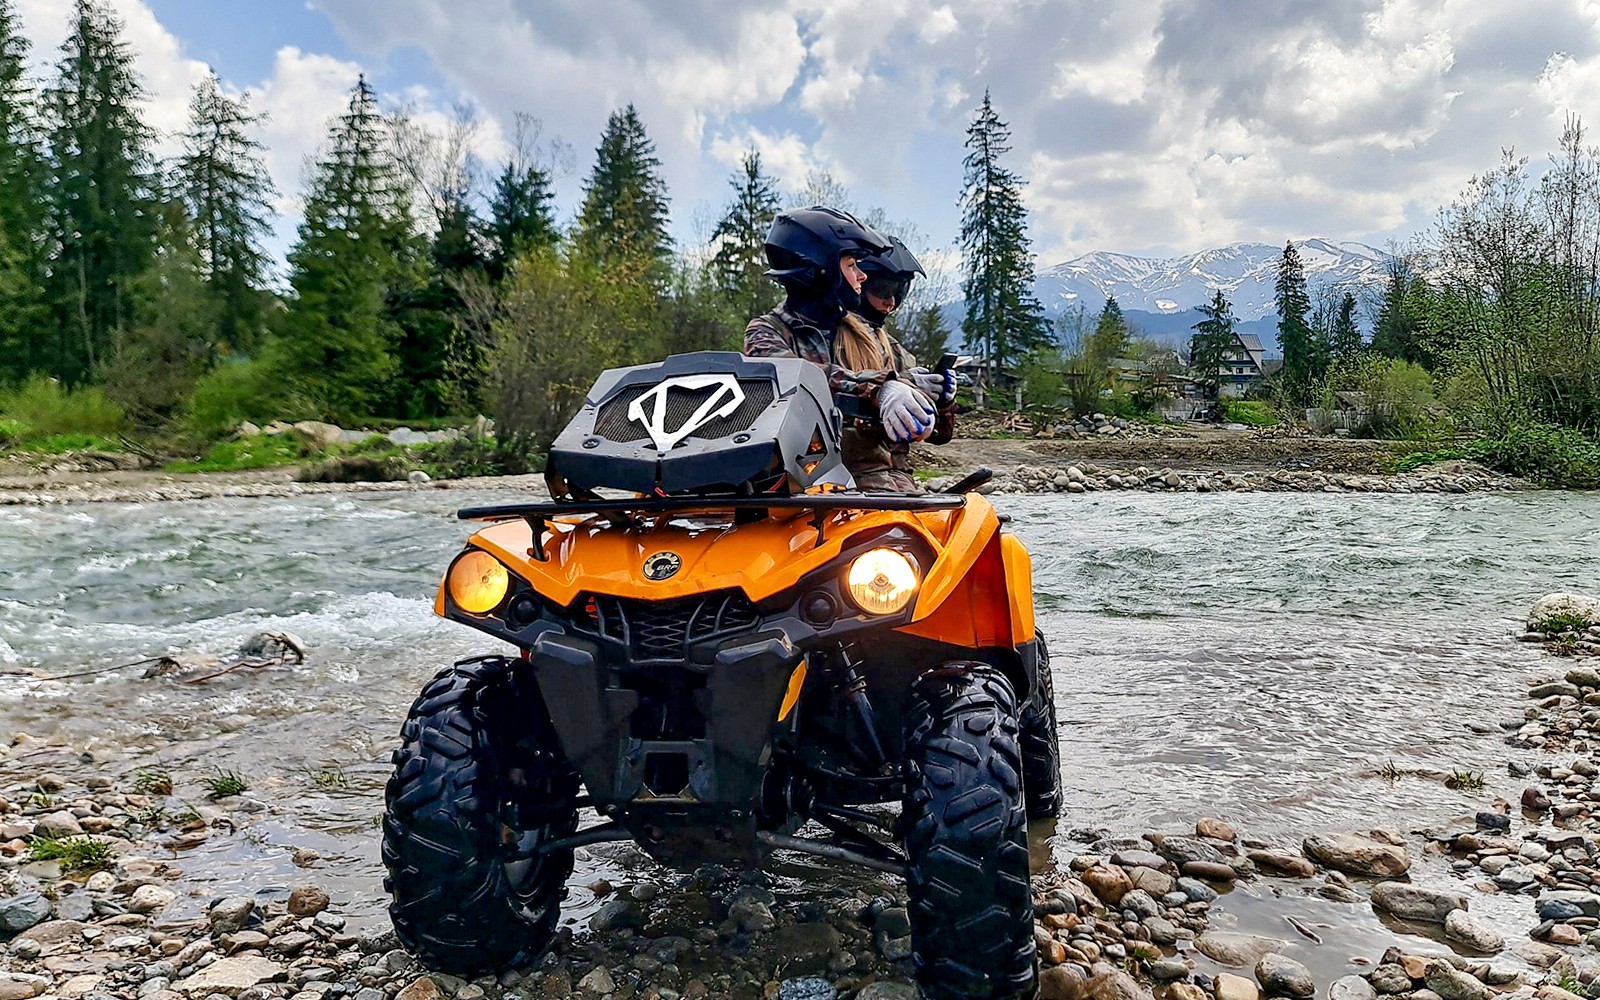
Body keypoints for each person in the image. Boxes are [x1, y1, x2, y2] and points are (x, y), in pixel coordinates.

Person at [743, 208, 942, 492]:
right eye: (851, 266)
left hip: (885, 487)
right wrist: (880, 390)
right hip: (805, 489)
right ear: (820, 271)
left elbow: (927, 430)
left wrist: (925, 396)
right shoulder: (767, 332)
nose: (862, 276)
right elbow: (800, 379)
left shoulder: (862, 333)